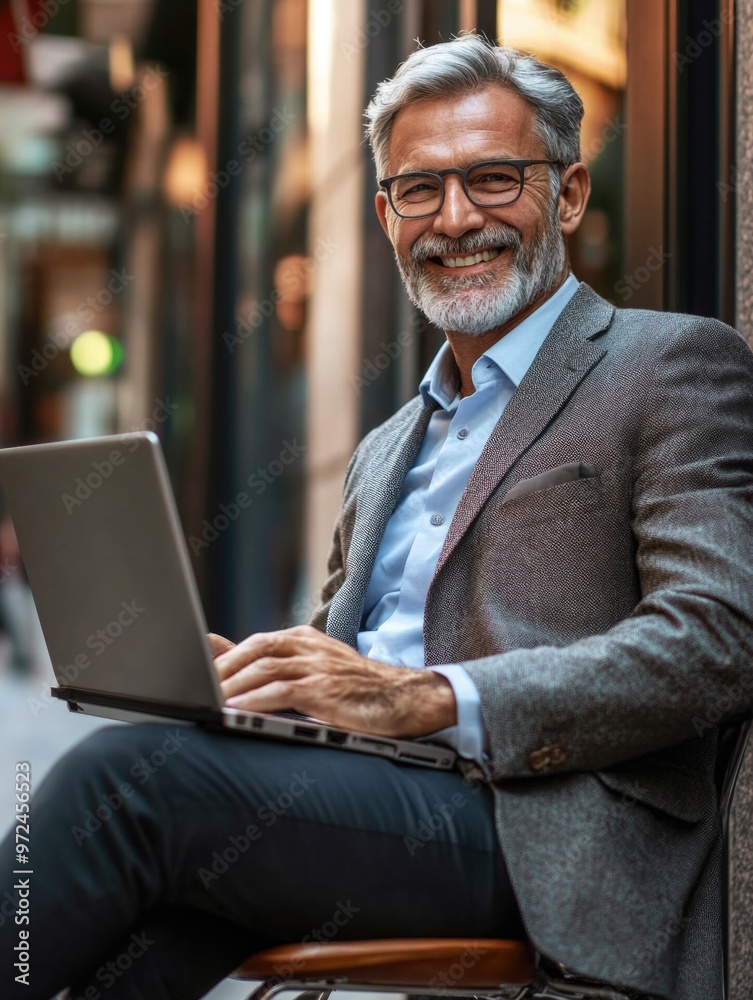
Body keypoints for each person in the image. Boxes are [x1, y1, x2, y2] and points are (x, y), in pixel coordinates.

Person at [2, 33, 753, 1000]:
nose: (454, 219)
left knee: (132, 785)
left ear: (566, 194)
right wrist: (262, 688)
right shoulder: (385, 447)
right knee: (137, 941)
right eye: (418, 190)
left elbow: (719, 637)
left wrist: (435, 697)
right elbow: (344, 667)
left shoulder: (671, 366)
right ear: (384, 216)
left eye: (492, 179)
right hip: (368, 805)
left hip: (541, 835)